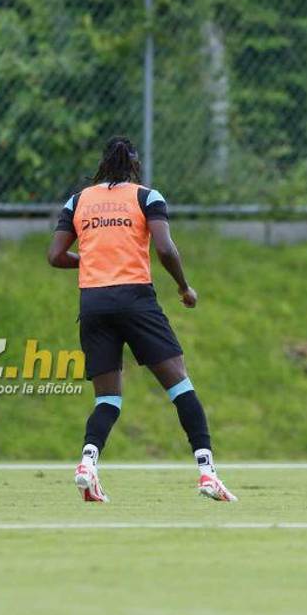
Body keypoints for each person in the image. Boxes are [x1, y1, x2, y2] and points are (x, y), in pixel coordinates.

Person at [47, 136, 236, 503]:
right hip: (135, 299)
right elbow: (164, 248)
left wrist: (93, 259)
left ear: (102, 164)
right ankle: (207, 473)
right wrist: (184, 287)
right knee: (180, 386)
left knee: (107, 399)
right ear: (135, 165)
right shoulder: (147, 196)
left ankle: (87, 464)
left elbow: (55, 255)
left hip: (93, 304)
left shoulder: (78, 200)